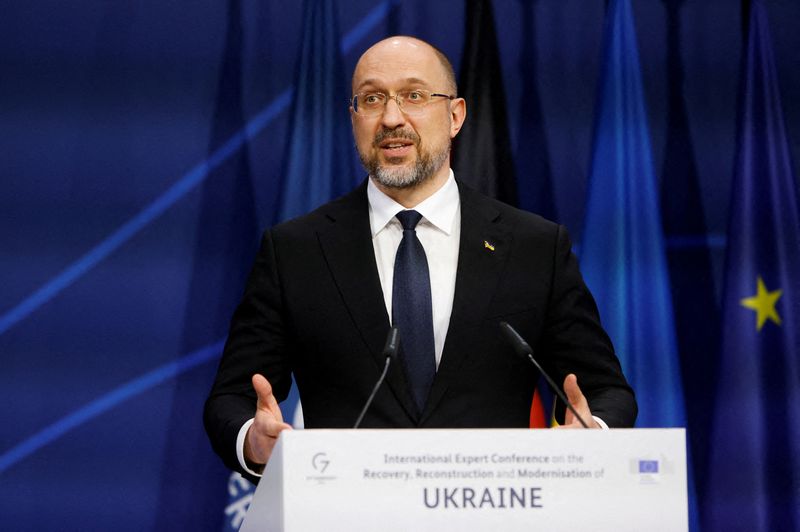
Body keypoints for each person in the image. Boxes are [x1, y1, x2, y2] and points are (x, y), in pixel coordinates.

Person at [204, 36, 636, 480]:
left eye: (414, 95)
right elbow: (233, 398)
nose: (392, 118)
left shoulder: (534, 246)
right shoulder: (295, 250)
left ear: (455, 116)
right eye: (372, 99)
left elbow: (605, 390)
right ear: (353, 118)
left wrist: (590, 434)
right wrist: (253, 442)